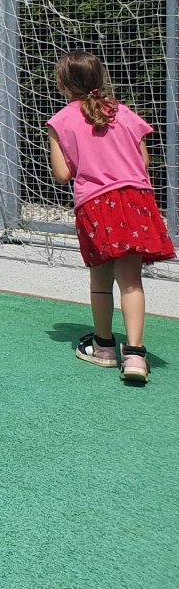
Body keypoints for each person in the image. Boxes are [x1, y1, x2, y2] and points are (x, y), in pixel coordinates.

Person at [47, 50, 172, 385]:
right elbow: (143, 161)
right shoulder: (124, 112)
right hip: (136, 200)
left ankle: (103, 347)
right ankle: (135, 355)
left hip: (96, 204)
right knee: (131, 280)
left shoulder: (61, 121)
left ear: (63, 83)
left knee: (100, 281)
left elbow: (62, 174)